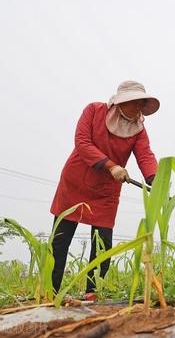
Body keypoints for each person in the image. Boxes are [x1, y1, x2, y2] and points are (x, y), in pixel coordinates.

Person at [50, 80, 159, 299]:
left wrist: (156, 179)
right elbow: (82, 142)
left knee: (102, 243)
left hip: (107, 190)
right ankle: (51, 290)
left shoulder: (138, 129)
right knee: (61, 239)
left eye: (142, 103)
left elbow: (145, 155)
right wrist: (111, 165)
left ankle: (92, 292)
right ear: (121, 102)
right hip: (76, 181)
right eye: (135, 102)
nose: (139, 107)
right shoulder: (94, 111)